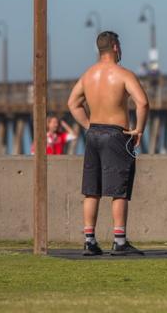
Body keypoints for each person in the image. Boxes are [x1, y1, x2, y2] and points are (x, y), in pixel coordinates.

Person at [68, 31, 149, 256]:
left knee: (91, 190)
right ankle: (119, 241)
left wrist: (89, 126)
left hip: (94, 133)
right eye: (119, 45)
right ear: (115, 47)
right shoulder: (123, 74)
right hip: (116, 134)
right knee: (119, 190)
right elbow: (142, 103)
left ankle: (89, 241)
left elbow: (72, 103)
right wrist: (139, 129)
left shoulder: (88, 75)